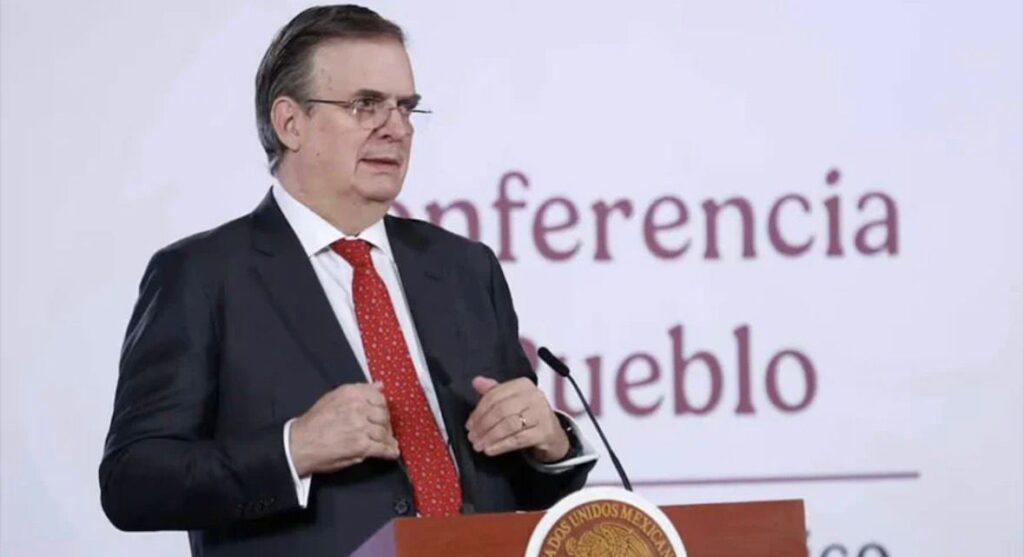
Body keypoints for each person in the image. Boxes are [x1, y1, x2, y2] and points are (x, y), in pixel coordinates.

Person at [98, 5, 597, 556]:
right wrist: (293, 449)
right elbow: (132, 483)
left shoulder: (464, 268)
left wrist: (550, 444)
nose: (396, 128)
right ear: (290, 123)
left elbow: (519, 484)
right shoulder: (203, 275)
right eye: (365, 105)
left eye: (405, 107)